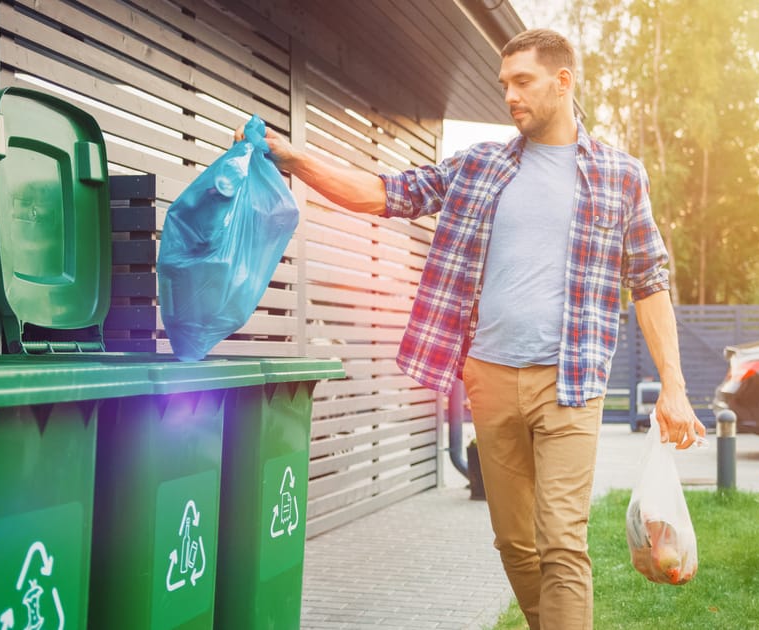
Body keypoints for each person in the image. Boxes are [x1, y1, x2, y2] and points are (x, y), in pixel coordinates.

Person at [237, 28, 705, 630]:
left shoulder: (620, 175)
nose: (510, 95)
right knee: (515, 543)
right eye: (504, 84)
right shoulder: (479, 166)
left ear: (563, 83)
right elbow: (384, 195)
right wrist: (294, 155)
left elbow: (650, 280)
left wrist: (674, 384)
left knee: (561, 540)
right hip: (489, 377)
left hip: (571, 384)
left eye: (523, 82)